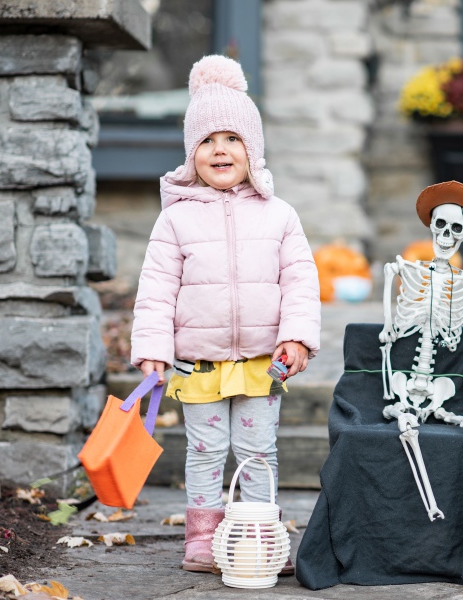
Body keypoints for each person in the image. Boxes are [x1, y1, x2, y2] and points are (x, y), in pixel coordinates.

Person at [130, 55, 320, 575]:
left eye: (233, 139)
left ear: (252, 150)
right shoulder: (175, 220)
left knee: (258, 452)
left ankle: (259, 536)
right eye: (208, 140)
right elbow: (157, 288)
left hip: (264, 360)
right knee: (206, 449)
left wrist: (298, 337)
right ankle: (203, 537)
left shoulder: (280, 215)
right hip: (201, 362)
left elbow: (300, 280)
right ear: (192, 153)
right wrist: (152, 348)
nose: (221, 149)